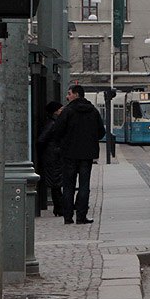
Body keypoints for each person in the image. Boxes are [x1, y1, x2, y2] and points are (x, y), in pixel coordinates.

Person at [54, 85, 105, 224]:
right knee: (84, 185)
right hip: (87, 155)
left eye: (69, 93)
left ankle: (68, 217)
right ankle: (81, 216)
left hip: (69, 154)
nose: (67, 96)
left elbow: (57, 130)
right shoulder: (93, 111)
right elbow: (101, 132)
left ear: (76, 94)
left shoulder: (67, 111)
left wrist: (63, 143)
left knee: (68, 185)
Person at [37, 101, 64, 217]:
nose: (62, 111)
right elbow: (41, 140)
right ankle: (59, 207)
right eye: (60, 109)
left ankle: (59, 207)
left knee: (56, 183)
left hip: (52, 155)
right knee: (55, 183)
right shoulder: (52, 124)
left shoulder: (52, 122)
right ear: (55, 111)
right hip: (52, 156)